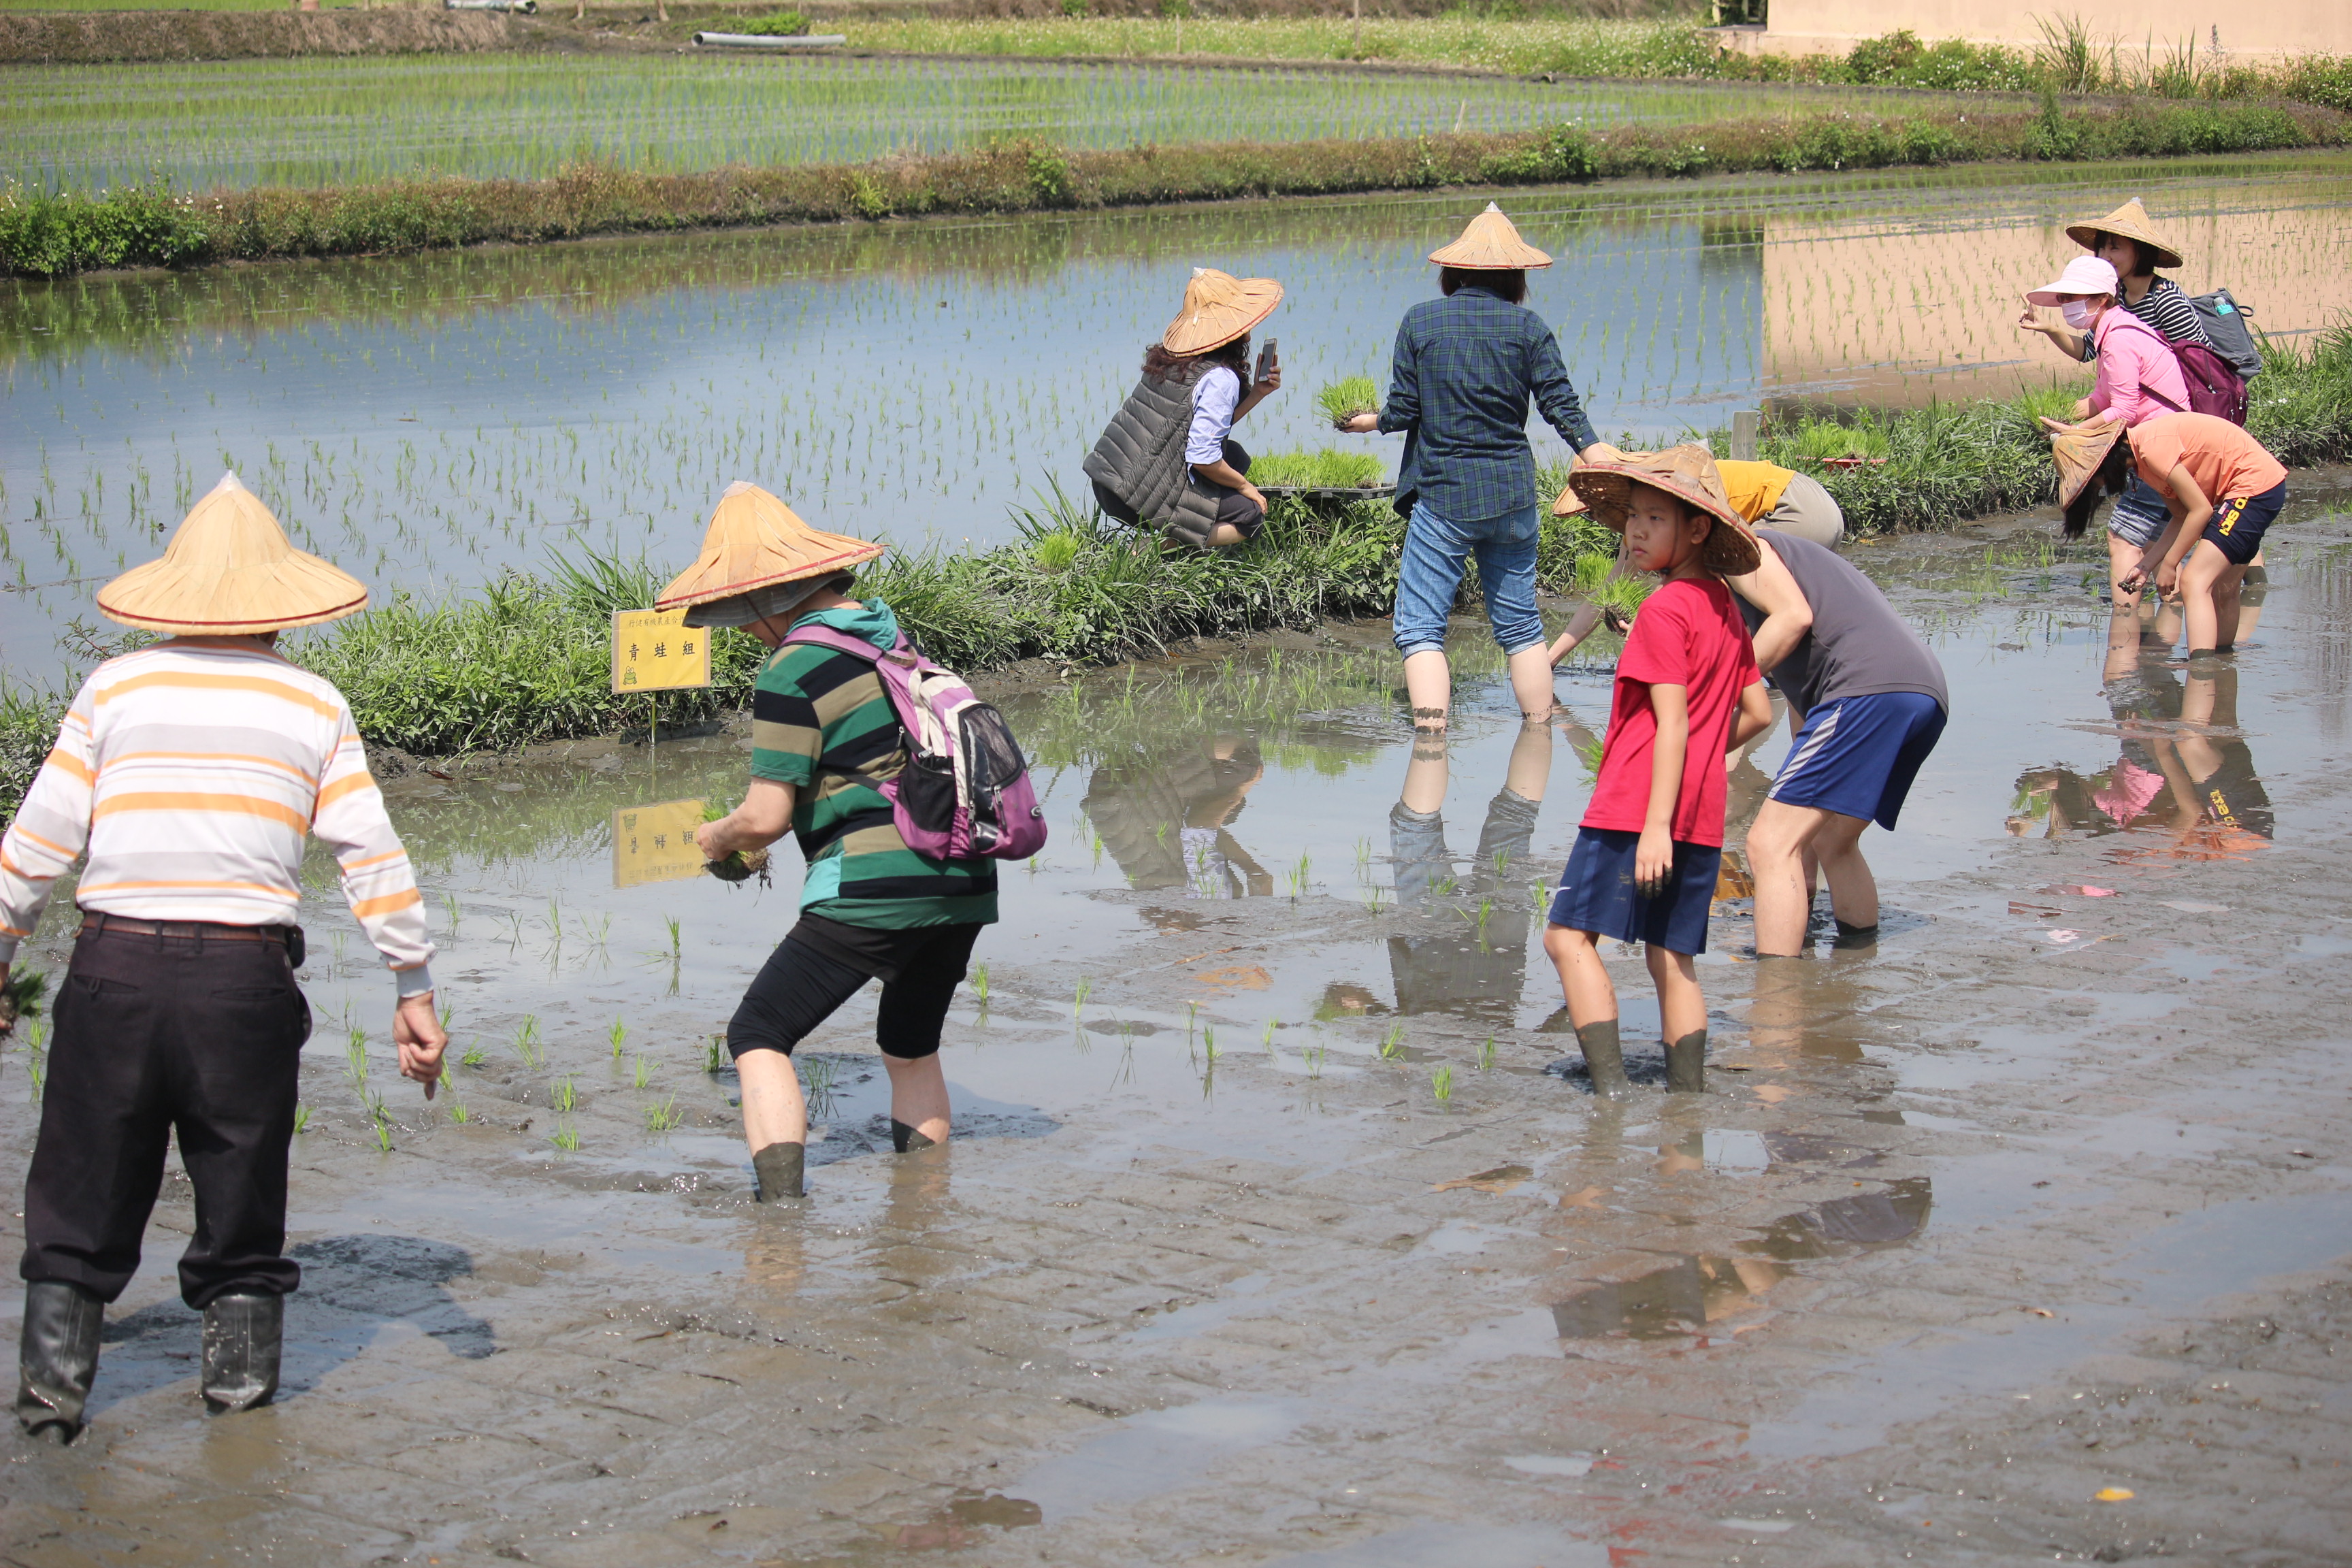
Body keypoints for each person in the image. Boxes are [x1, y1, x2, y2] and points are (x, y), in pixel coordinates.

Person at [0, 473, 444, 1443]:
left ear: (175, 597)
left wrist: (2, 950)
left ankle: (48, 1412)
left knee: (79, 1184)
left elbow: (36, 843)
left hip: (114, 969)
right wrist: (411, 986)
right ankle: (240, 1428)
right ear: (281, 605)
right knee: (241, 1190)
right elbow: (371, 854)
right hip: (242, 985)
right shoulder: (313, 703)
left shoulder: (114, 686)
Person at [672, 483, 996, 1205]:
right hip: (962, 876)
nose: (747, 630)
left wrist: (714, 837)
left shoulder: (793, 666)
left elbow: (763, 818)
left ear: (763, 599)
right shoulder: (893, 643)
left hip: (876, 883)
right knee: (910, 1049)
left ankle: (779, 1225)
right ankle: (921, 1218)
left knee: (758, 1032)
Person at [1540, 447, 1771, 1098]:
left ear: (1698, 529)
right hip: (1697, 808)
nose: (1636, 532)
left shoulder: (1666, 610)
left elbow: (1670, 724)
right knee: (1672, 956)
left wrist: (1654, 827)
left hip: (1637, 810)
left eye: (1655, 518)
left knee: (1567, 939)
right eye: (1632, 518)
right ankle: (1686, 1099)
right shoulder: (1724, 606)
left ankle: (1609, 1092)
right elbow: (1755, 712)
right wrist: (1700, 756)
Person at [1339, 203, 1614, 731]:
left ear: (1453, 270)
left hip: (1445, 496)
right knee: (1520, 627)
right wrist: (1596, 454)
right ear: (1515, 276)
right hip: (1512, 495)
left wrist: (1368, 422)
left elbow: (1403, 410)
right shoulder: (1527, 328)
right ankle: (1538, 731)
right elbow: (1561, 403)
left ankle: (1428, 745)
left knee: (1421, 627)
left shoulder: (1421, 321)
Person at [1718, 528, 1946, 957]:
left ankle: (1777, 997)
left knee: (1768, 844)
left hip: (1866, 687)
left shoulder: (1739, 555)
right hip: (1919, 690)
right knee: (1830, 840)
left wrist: (1715, 692)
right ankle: (1856, 964)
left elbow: (1794, 616)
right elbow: (1804, 712)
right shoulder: (1792, 558)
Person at [2021, 253, 2191, 608]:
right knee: (2156, 544)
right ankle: (2159, 635)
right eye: (2064, 299)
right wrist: (2050, 417)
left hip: (2160, 444)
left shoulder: (2118, 339)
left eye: (2075, 297)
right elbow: (2102, 398)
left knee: (2122, 538)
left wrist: (2077, 433)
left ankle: (2125, 633)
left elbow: (2125, 410)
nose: (2067, 305)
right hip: (2165, 441)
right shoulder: (2111, 331)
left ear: (2103, 299)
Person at [2054, 411, 2287, 657]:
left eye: (2095, 482)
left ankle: (2201, 669)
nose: (2102, 487)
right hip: (2260, 488)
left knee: (2194, 582)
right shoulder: (2142, 461)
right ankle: (2221, 663)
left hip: (2251, 489)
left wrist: (2170, 564)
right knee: (2224, 588)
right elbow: (2181, 515)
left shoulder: (2150, 450)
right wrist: (2146, 566)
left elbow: (2201, 510)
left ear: (2104, 463)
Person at [1084, 267, 1284, 551]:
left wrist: (1258, 394)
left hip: (1108, 483)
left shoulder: (1174, 359)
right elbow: (1202, 458)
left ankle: (1185, 526)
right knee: (1249, 517)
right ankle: (1152, 550)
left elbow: (1201, 430)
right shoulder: (1220, 379)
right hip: (1135, 494)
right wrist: (1243, 487)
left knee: (1234, 456)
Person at [1715, 459, 1846, 548]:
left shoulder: (1697, 485)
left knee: (1740, 573)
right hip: (1818, 498)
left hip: (1792, 506)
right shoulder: (1704, 468)